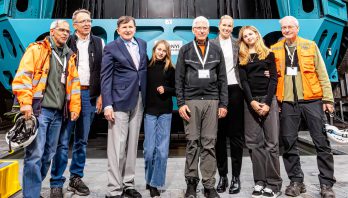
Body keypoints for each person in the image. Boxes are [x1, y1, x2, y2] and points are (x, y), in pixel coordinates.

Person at [12, 19, 81, 198]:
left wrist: (74, 106)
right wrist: (26, 104)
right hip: (39, 111)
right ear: (52, 32)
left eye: (67, 31)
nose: (66, 33)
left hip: (58, 113)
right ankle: (32, 194)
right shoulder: (37, 50)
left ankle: (33, 188)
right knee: (35, 155)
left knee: (48, 155)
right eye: (61, 30)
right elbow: (23, 77)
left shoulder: (69, 55)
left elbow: (73, 84)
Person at [271, 16, 336, 198]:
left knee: (321, 143)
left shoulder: (310, 45)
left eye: (290, 27)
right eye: (284, 27)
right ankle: (296, 181)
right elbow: (272, 77)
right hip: (288, 103)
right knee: (288, 142)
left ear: (297, 28)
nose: (286, 30)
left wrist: (328, 99)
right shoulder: (275, 49)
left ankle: (326, 184)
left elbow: (322, 72)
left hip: (312, 101)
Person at [50, 9, 104, 197]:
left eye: (89, 21)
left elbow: (101, 71)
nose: (87, 24)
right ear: (74, 25)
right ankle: (56, 182)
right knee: (63, 141)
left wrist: (100, 95)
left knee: (82, 140)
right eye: (82, 21)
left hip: (89, 95)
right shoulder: (67, 41)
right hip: (70, 96)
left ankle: (75, 178)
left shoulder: (98, 42)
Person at [175, 16, 228, 198]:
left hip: (212, 101)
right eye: (198, 27)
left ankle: (208, 185)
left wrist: (223, 104)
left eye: (204, 27)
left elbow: (222, 79)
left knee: (209, 143)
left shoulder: (216, 50)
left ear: (208, 30)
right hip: (191, 101)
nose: (201, 30)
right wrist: (181, 103)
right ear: (193, 30)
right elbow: (179, 79)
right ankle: (191, 183)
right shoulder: (185, 50)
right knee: (192, 143)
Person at [101, 15, 147, 198]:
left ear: (135, 29)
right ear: (118, 30)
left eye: (131, 27)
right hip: (118, 101)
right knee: (117, 148)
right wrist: (107, 104)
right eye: (124, 27)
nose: (128, 30)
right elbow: (105, 77)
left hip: (139, 99)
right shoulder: (111, 47)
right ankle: (114, 188)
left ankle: (128, 183)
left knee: (132, 145)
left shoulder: (142, 44)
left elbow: (142, 70)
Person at [238, 26, 282, 198]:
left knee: (271, 144)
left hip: (268, 100)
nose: (248, 37)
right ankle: (260, 182)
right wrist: (252, 102)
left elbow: (273, 79)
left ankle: (274, 184)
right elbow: (244, 82)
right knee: (254, 144)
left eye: (251, 34)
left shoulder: (269, 54)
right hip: (251, 102)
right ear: (242, 40)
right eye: (245, 36)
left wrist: (267, 103)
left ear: (257, 35)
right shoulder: (242, 57)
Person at [211, 15, 244, 194]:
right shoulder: (211, 44)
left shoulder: (237, 44)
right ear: (219, 26)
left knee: (236, 136)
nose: (227, 28)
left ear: (232, 28)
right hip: (217, 91)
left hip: (235, 90)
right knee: (220, 136)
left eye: (230, 26)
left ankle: (236, 177)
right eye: (224, 25)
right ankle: (222, 176)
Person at [143, 40, 175, 197]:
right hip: (149, 112)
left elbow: (177, 89)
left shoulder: (170, 69)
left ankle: (155, 184)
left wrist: (167, 89)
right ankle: (149, 180)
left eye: (164, 50)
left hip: (165, 113)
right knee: (149, 150)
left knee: (161, 151)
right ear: (154, 50)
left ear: (167, 52)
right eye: (159, 49)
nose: (161, 52)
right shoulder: (147, 67)